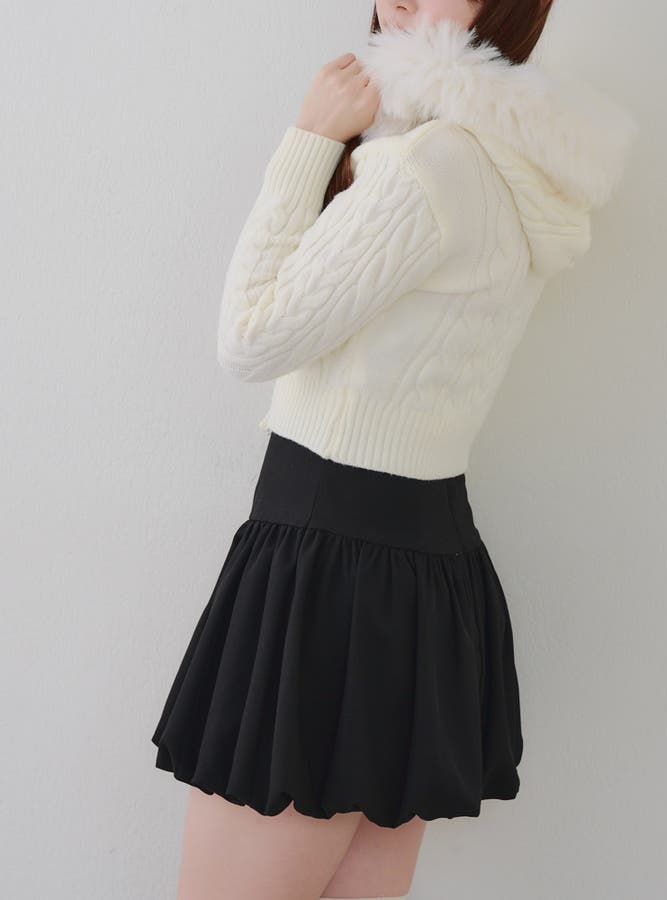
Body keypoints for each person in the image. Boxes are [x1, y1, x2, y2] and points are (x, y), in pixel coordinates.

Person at [150, 1, 638, 898]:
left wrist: (308, 139)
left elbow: (250, 338)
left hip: (326, 571)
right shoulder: (509, 163)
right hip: (421, 574)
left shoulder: (428, 167)